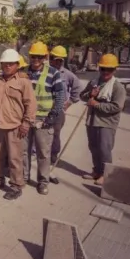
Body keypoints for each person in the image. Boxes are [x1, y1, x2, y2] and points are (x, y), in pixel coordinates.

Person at [0, 49, 37, 201]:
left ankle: (16, 186)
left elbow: (30, 104)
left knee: (15, 158)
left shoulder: (23, 82)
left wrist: (26, 123)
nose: (7, 66)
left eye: (10, 64)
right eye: (5, 64)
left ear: (17, 65)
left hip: (14, 126)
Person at [24, 42, 64, 195]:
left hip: (44, 119)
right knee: (24, 151)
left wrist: (52, 116)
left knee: (43, 153)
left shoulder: (53, 73)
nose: (36, 59)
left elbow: (60, 96)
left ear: (45, 57)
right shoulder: (24, 72)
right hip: (26, 118)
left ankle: (42, 182)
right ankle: (24, 177)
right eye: (34, 56)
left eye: (39, 57)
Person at [80, 54, 125, 185]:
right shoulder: (94, 82)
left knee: (104, 149)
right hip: (92, 121)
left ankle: (106, 176)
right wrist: (90, 94)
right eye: (103, 68)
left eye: (109, 69)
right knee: (93, 147)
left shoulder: (117, 87)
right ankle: (97, 171)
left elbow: (117, 107)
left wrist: (97, 104)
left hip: (107, 123)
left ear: (114, 70)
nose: (105, 72)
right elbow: (82, 96)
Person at [48, 46, 82, 183]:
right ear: (51, 59)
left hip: (58, 111)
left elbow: (78, 89)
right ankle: (41, 158)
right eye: (55, 60)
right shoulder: (45, 72)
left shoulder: (67, 74)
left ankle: (53, 158)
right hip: (43, 110)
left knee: (55, 135)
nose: (58, 63)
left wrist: (69, 103)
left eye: (60, 60)